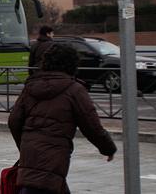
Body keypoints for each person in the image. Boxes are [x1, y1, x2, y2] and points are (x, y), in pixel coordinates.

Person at [9, 45, 117, 194]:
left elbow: (14, 121)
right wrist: (108, 148)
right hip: (54, 160)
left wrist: (26, 145)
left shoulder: (30, 86)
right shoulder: (74, 90)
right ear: (72, 64)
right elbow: (91, 126)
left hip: (30, 156)